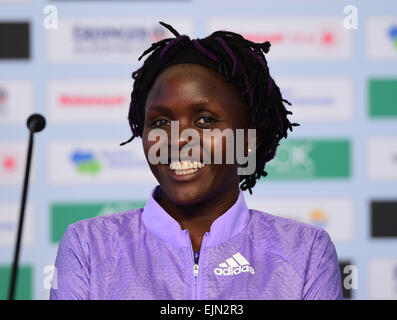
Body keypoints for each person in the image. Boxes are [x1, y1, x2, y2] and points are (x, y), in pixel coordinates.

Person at [50, 22, 343, 300]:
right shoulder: (87, 246)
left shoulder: (306, 252)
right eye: (161, 121)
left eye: (205, 120)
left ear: (248, 140)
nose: (178, 140)